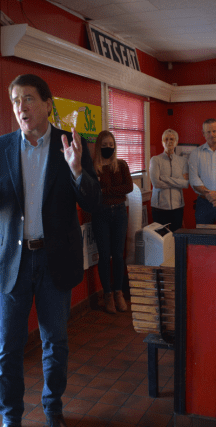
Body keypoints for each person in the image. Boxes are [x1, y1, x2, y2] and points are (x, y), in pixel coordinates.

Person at [0, 74, 101, 427]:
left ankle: (52, 406)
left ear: (47, 105)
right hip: (14, 261)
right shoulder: (1, 148)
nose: (20, 107)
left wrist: (76, 171)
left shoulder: (71, 144)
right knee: (8, 348)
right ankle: (11, 416)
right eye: (14, 101)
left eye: (27, 98)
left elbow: (92, 200)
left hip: (55, 261)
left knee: (54, 341)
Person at [91, 130, 133, 314]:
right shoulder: (93, 168)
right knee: (104, 255)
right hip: (100, 215)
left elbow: (129, 187)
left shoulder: (121, 165)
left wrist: (106, 191)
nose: (108, 148)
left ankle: (118, 293)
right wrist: (115, 191)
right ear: (99, 146)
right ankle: (107, 295)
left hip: (120, 213)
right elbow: (93, 193)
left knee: (117, 254)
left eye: (111, 145)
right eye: (105, 145)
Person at [149, 128, 189, 231]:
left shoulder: (183, 161)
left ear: (176, 142)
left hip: (178, 207)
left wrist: (166, 178)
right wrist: (178, 181)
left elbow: (185, 184)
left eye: (172, 139)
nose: (169, 142)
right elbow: (156, 183)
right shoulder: (155, 160)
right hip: (159, 207)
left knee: (177, 237)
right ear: (162, 142)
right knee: (161, 238)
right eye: (166, 139)